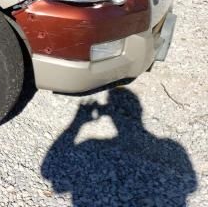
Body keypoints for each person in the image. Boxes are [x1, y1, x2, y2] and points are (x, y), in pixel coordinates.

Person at [41, 88, 197, 207]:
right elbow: (190, 186)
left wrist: (78, 122)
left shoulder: (91, 146)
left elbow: (49, 171)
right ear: (140, 112)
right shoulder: (171, 148)